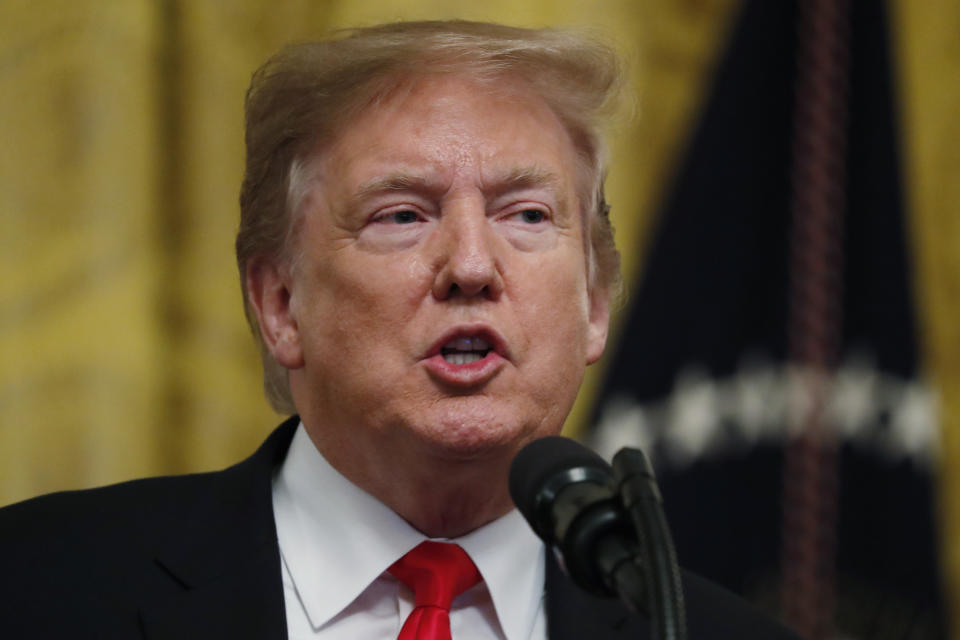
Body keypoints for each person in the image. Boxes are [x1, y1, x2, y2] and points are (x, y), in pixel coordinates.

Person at [0, 20, 798, 639]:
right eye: (402, 215)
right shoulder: (38, 587)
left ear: (594, 303)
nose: (472, 266)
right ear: (280, 304)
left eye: (526, 214)